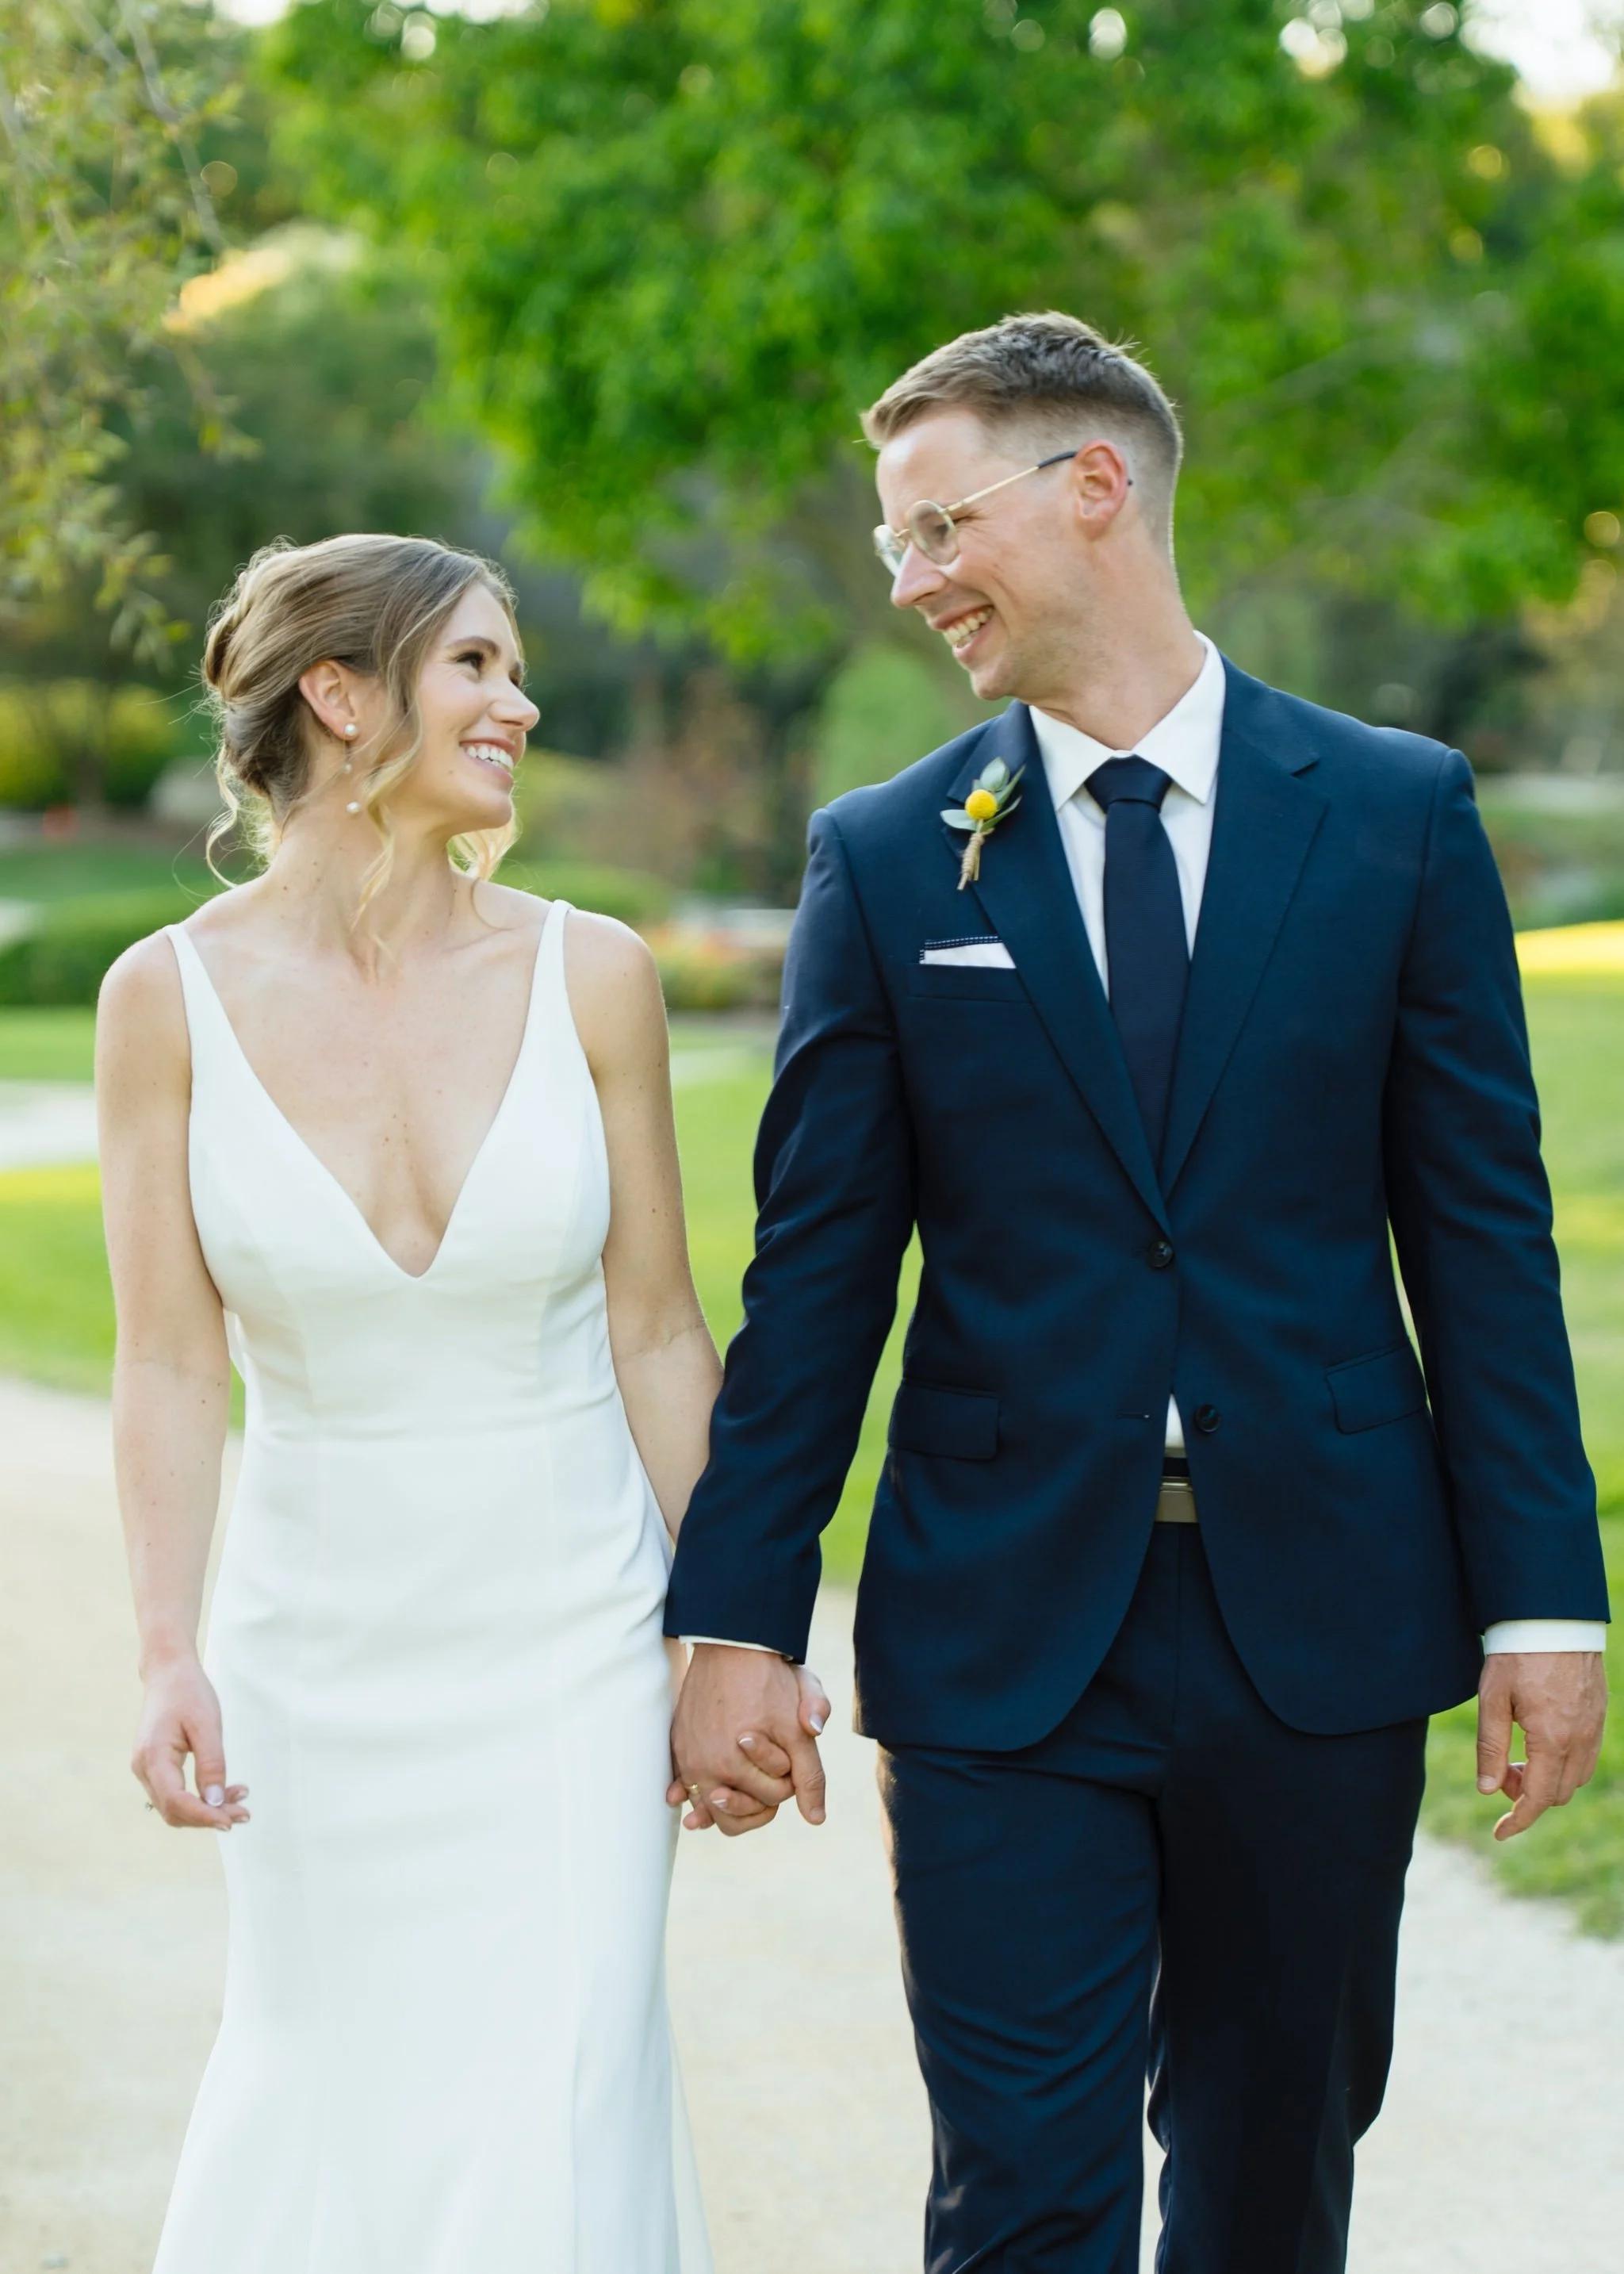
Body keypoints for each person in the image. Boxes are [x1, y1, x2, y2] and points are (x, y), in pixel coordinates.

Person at [665, 315, 1611, 2272]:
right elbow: (817, 1276)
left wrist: (1543, 1594)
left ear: (1094, 483)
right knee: (1023, 2192)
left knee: (1273, 2184)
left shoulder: (1394, 812)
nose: (914, 580)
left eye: (936, 528)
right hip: (1007, 1634)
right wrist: (739, 1616)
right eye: (891, 544)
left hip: (1323, 1621)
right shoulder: (889, 855)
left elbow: (1482, 1240)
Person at [98, 532, 823, 2273]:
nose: (522, 699)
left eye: (512, 666)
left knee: (566, 2095)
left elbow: (659, 1333)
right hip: (313, 1654)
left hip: (570, 1640)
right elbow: (171, 1358)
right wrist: (164, 1646)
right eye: (477, 666)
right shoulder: (162, 1001)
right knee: (324, 2088)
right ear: (341, 696)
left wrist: (740, 1628)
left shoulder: (594, 973)